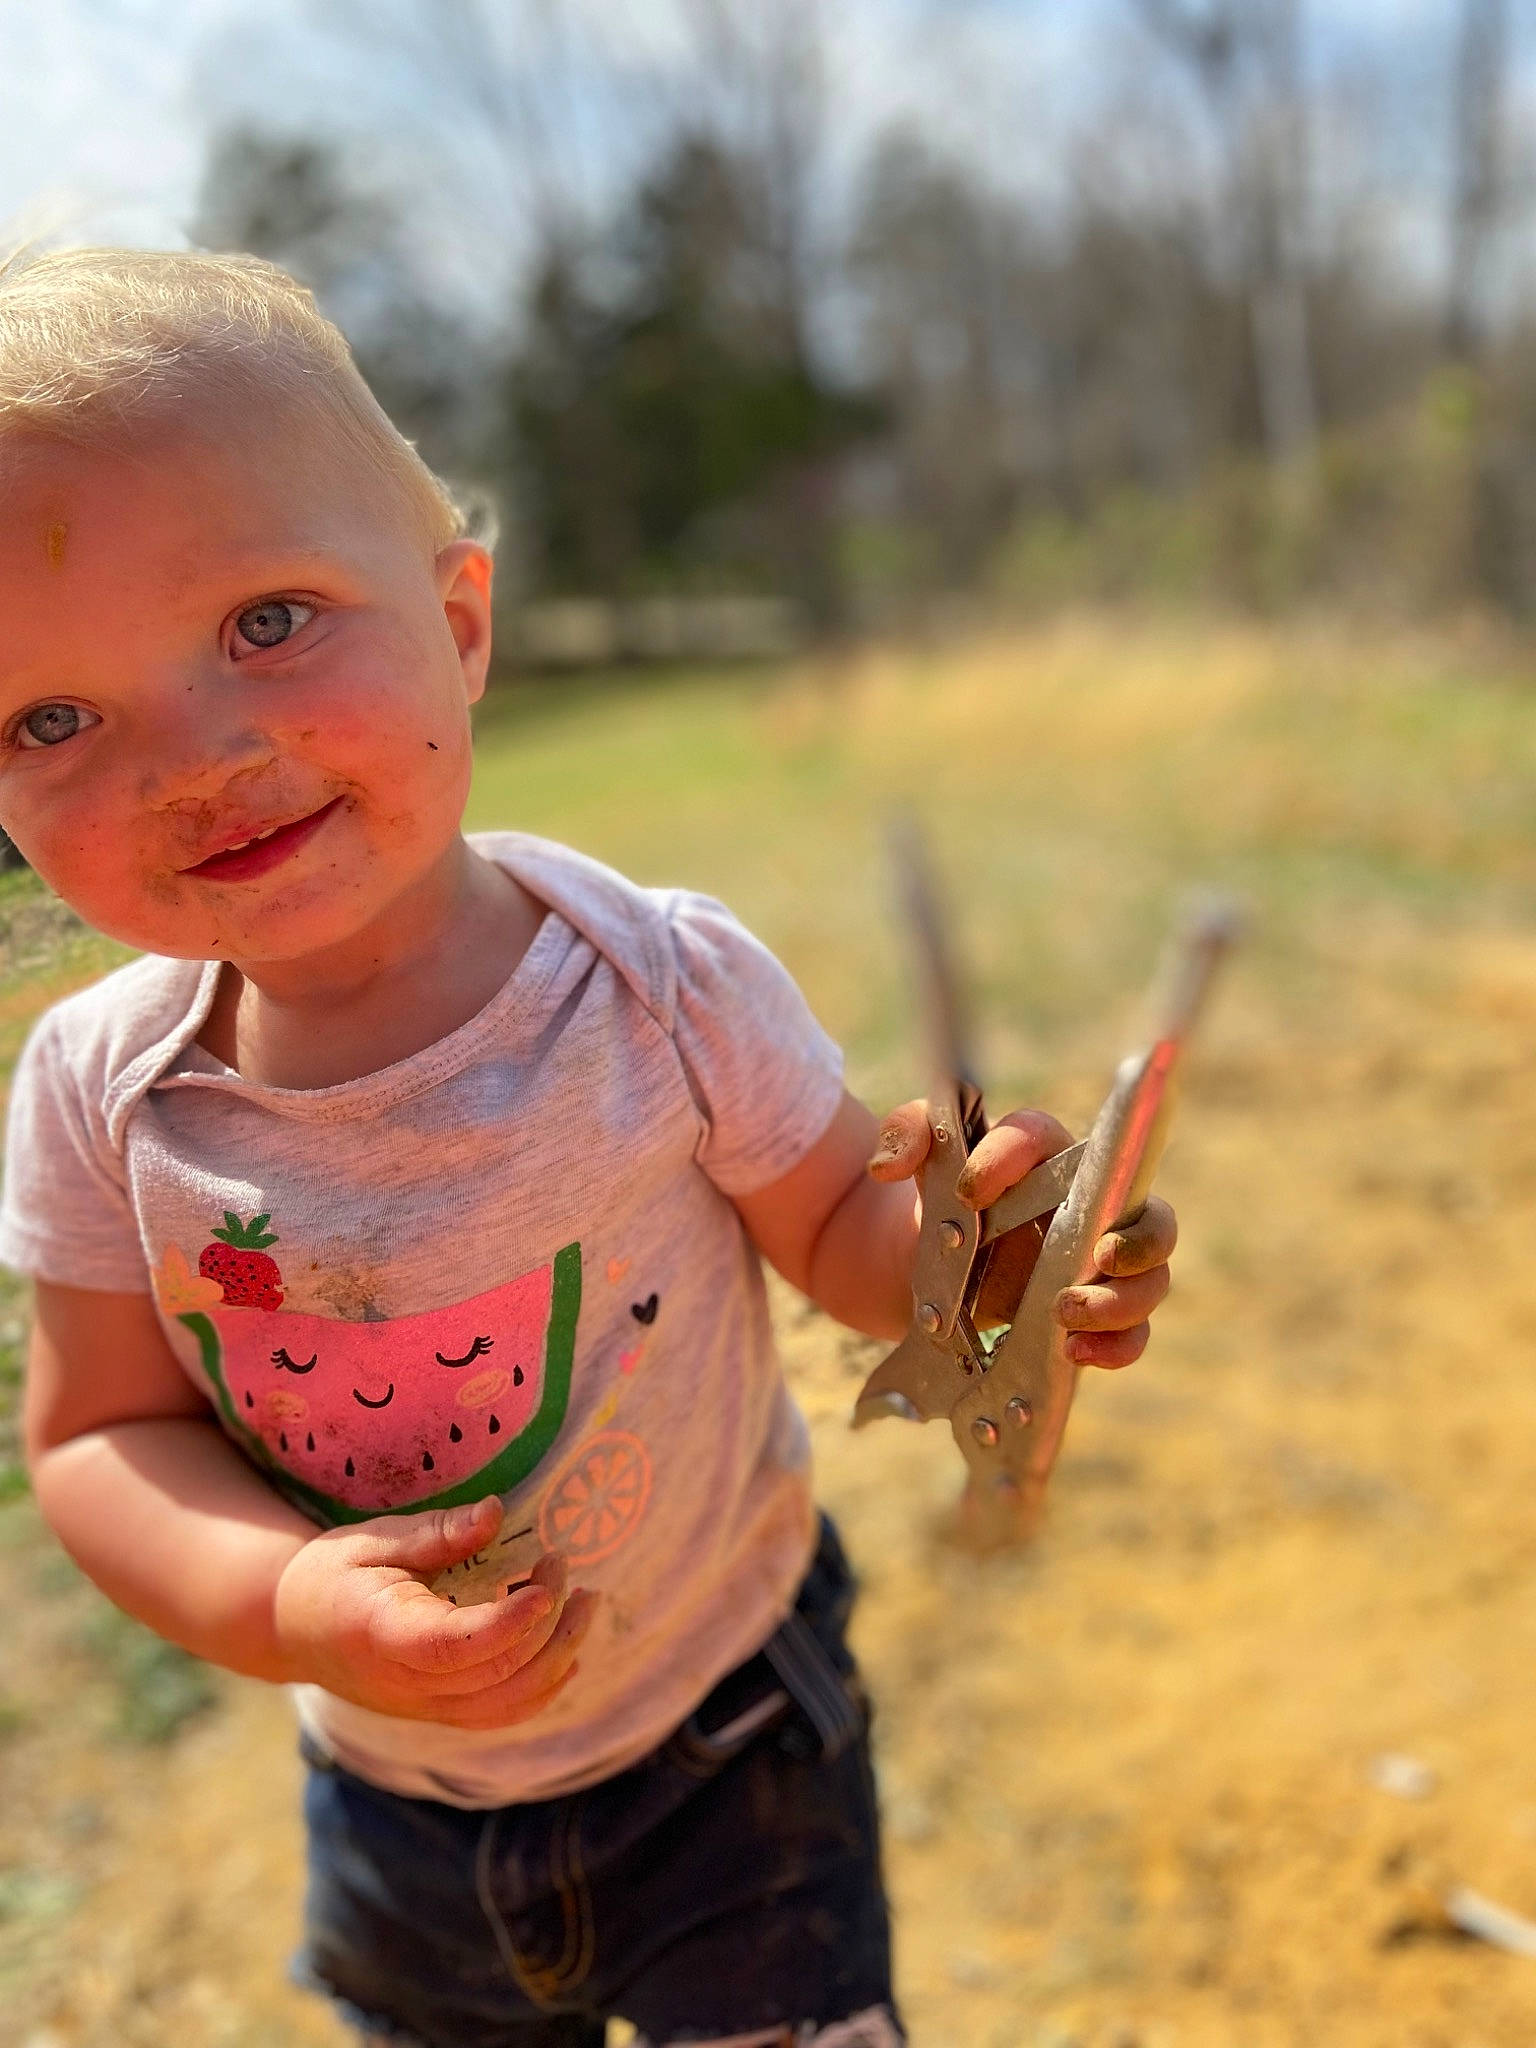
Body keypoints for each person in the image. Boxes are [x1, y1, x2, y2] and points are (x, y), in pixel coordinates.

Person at [0, 247, 1176, 2048]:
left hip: (731, 1743)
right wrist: (292, 1597)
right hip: (399, 1811)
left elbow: (846, 1246)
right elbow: (99, 1434)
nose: (193, 757)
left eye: (265, 623)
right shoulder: (103, 1091)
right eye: (53, 719)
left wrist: (984, 1268)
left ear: (462, 624)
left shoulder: (660, 981)